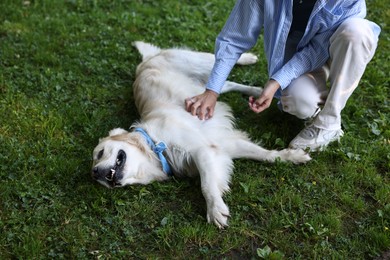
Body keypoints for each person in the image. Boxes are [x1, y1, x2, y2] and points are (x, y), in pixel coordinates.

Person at [184, 0, 380, 151]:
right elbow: (234, 38)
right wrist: (212, 90)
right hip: (301, 52)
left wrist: (277, 80)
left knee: (357, 33)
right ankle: (317, 94)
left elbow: (316, 49)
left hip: (340, 46)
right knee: (298, 103)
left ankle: (329, 122)